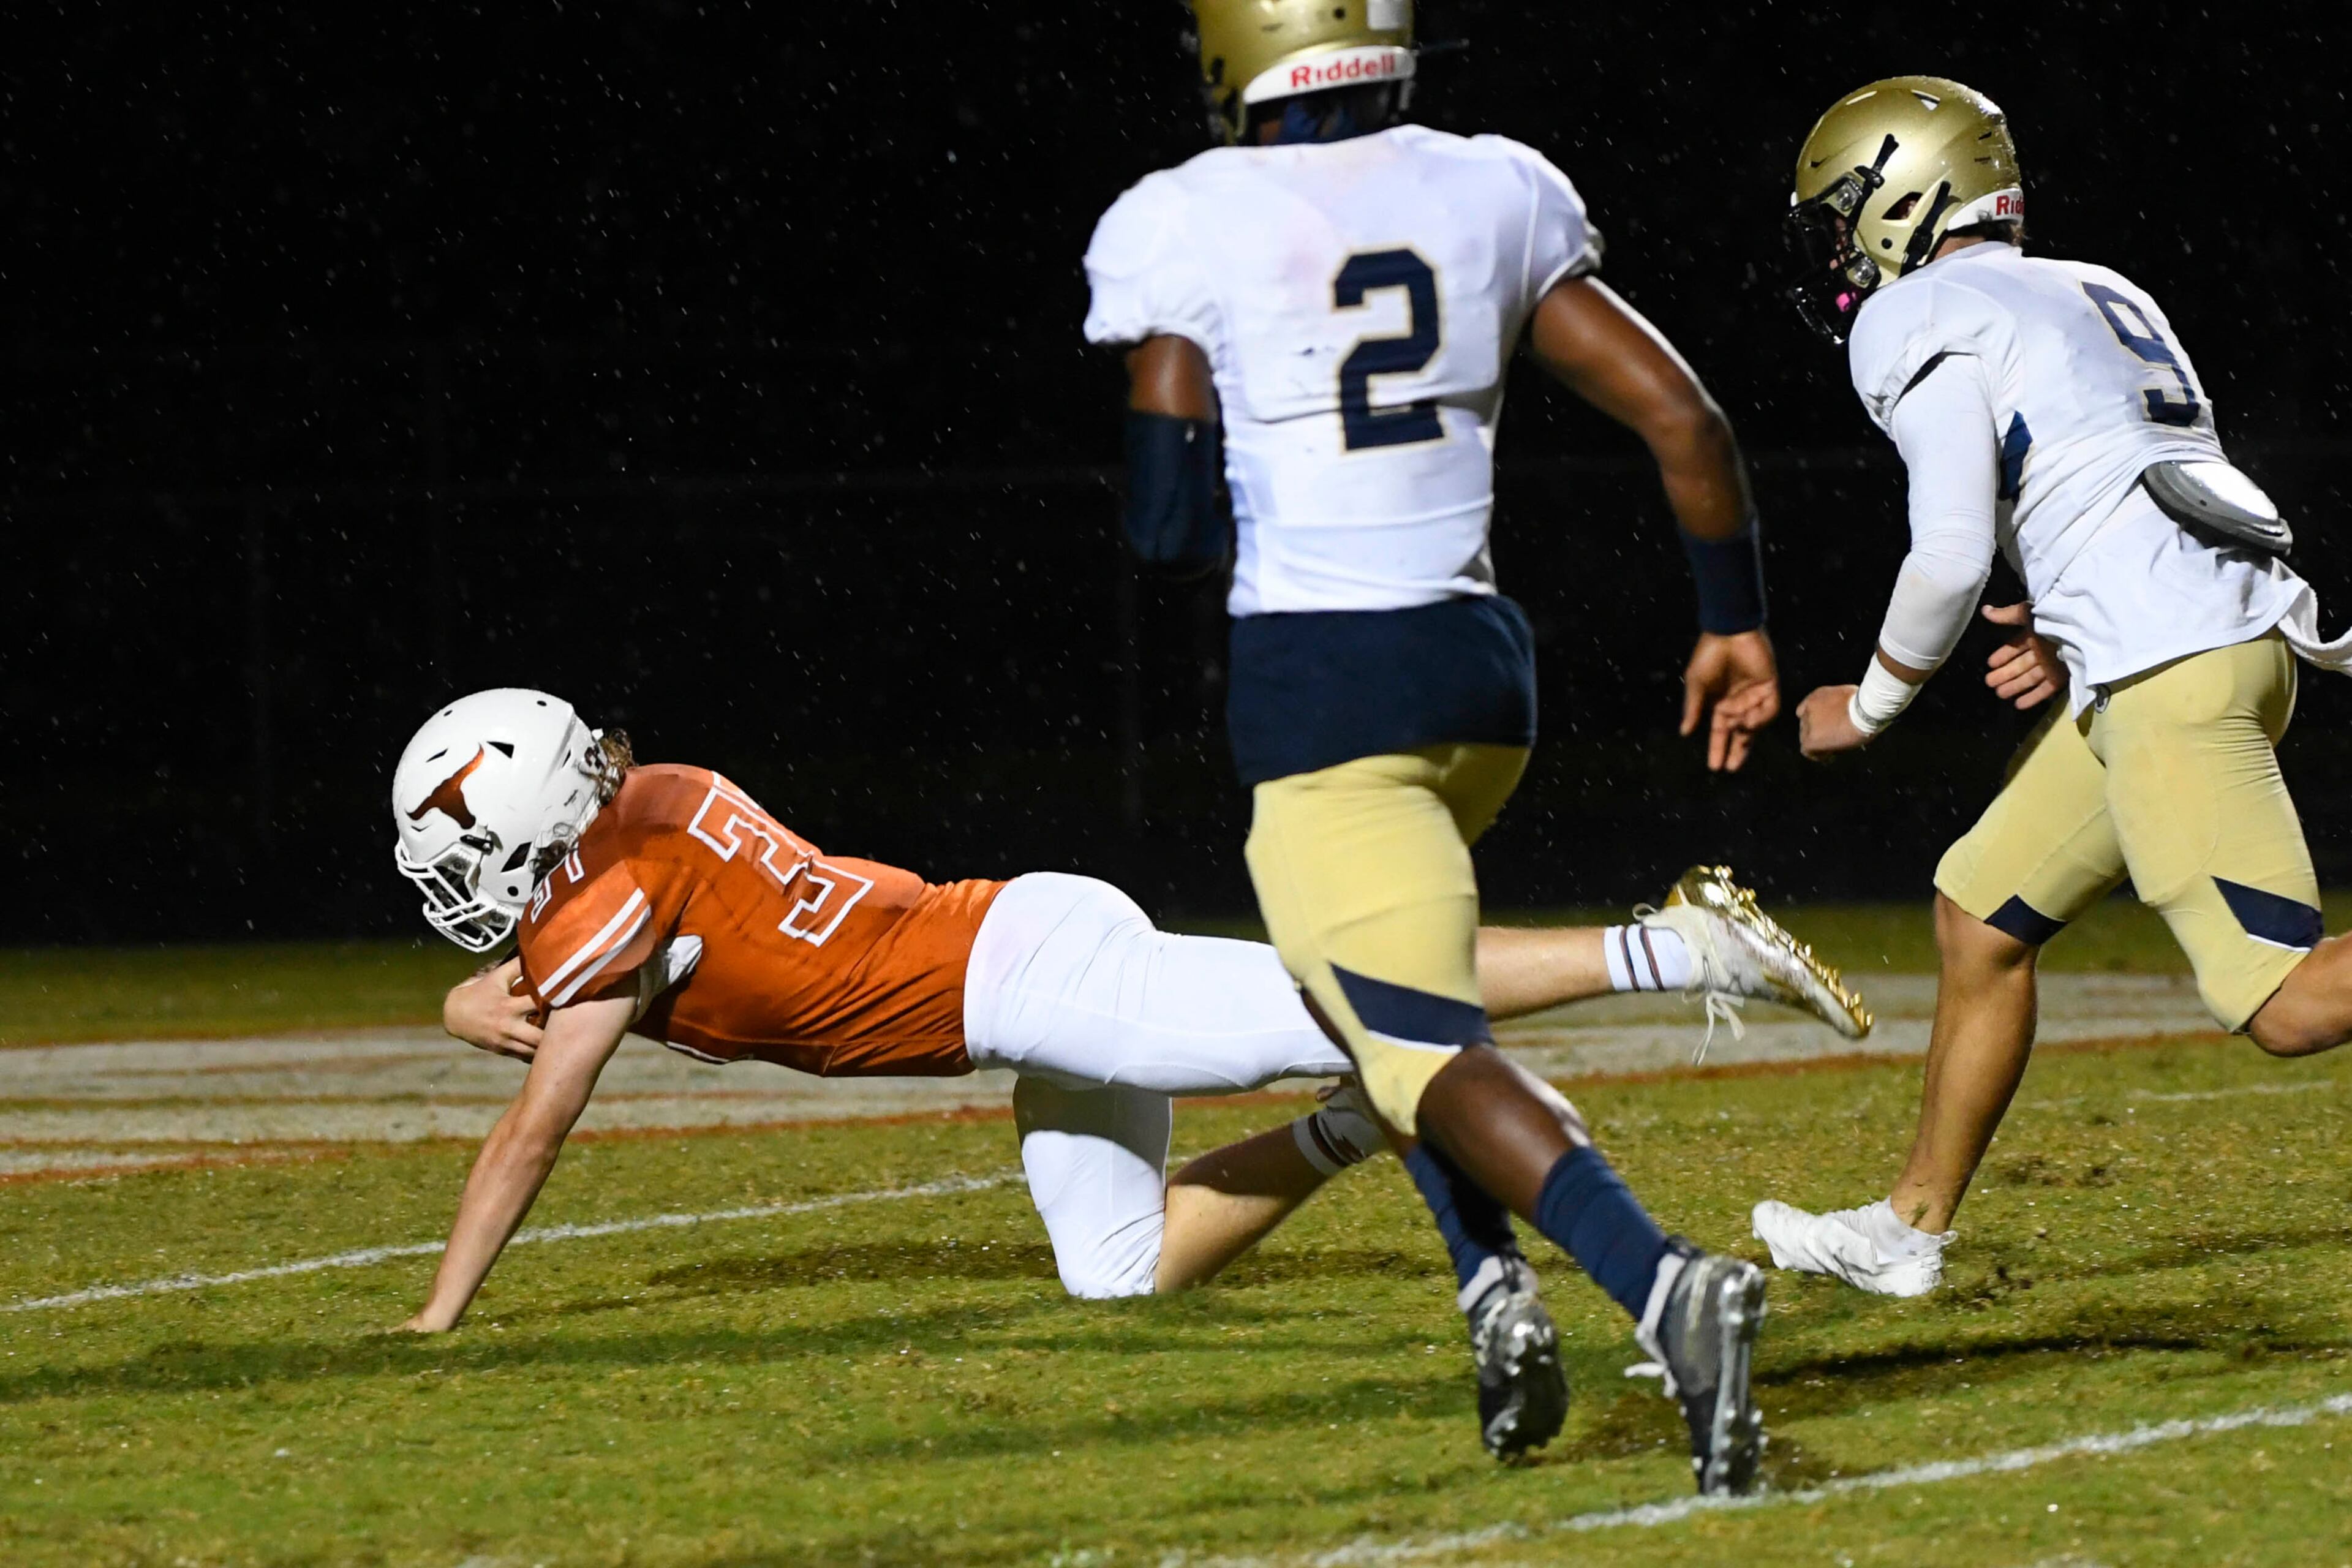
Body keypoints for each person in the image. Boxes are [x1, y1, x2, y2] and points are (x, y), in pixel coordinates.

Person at [1080, 0, 1868, 1490]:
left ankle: (1662, 1285)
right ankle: (1488, 1283)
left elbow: (1168, 527)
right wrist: (1734, 621)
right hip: (1479, 679)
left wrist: (1200, 430)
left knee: (1409, 1035)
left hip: (1329, 685)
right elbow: (1685, 420)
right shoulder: (1490, 181)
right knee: (1387, 1002)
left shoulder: (1186, 216)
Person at [388, 689, 1861, 1402]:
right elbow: (542, 986)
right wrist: (472, 996)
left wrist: (440, 1312)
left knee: (1347, 991)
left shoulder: (611, 899)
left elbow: (538, 1118)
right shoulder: (652, 801)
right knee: (1112, 1271)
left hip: (1030, 976)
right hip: (1018, 966)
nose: (466, 889)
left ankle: (1675, 944)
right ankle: (1367, 1123)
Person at [1758, 75, 2352, 1298]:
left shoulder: (1916, 312)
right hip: (2214, 638)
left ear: (1903, 199)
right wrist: (2070, 620)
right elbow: (2133, 471)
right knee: (1981, 913)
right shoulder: (2103, 285)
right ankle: (1907, 1226)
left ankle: (1910, 1223)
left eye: (1842, 212)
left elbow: (1949, 553)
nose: (1837, 248)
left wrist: (1865, 706)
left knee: (2284, 1003)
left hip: (2171, 674)